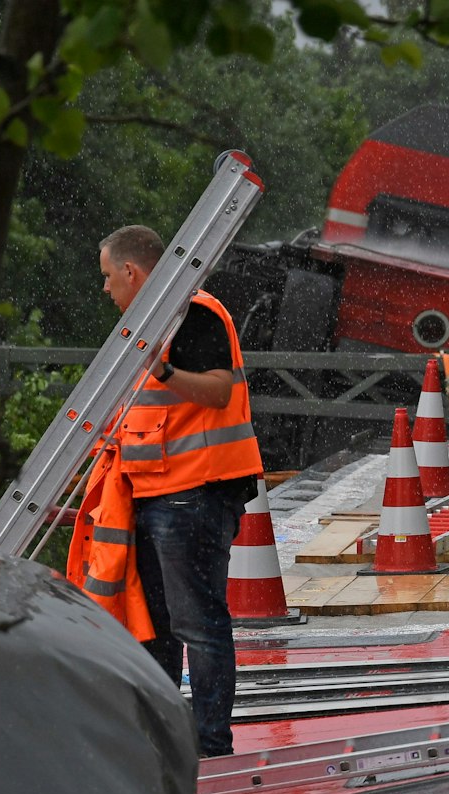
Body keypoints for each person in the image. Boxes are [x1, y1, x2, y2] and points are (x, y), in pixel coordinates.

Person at [85, 224, 262, 757]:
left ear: (132, 272)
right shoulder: (150, 326)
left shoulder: (191, 312)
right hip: (157, 491)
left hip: (194, 492)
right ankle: (171, 737)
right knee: (158, 624)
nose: (105, 288)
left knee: (197, 623)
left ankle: (209, 744)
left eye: (108, 276)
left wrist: (161, 368)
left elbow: (217, 389)